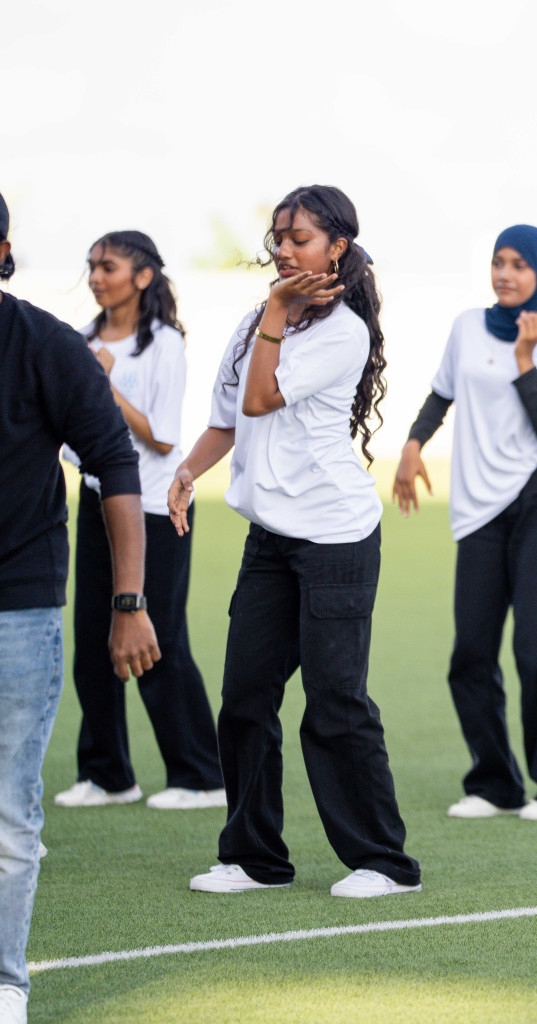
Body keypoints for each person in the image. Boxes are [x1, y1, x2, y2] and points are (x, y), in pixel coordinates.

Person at [169, 185, 420, 899]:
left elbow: (261, 398)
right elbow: (229, 417)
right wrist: (188, 471)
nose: (283, 248)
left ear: (336, 247)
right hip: (271, 536)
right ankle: (254, 858)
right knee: (245, 696)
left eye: (300, 237)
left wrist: (276, 310)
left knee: (335, 703)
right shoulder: (260, 320)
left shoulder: (341, 331)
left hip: (335, 535)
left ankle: (384, 863)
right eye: (279, 235)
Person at [0, 191, 159, 1024]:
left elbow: (114, 463)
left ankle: (4, 985)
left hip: (17, 612)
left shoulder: (48, 347)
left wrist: (129, 600)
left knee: (7, 813)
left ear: (2, 248)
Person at [395, 224, 537, 821]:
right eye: (498, 262)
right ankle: (494, 782)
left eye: (519, 265)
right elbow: (441, 394)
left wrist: (525, 360)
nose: (505, 274)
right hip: (479, 506)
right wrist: (412, 445)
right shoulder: (465, 326)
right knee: (471, 655)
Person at [54, 231, 223, 812]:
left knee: (161, 638)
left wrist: (105, 383)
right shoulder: (80, 340)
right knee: (92, 640)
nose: (97, 277)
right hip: (98, 501)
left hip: (154, 506)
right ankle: (107, 774)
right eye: (92, 267)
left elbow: (163, 436)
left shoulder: (164, 345)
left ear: (143, 276)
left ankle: (200, 775)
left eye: (109, 266)